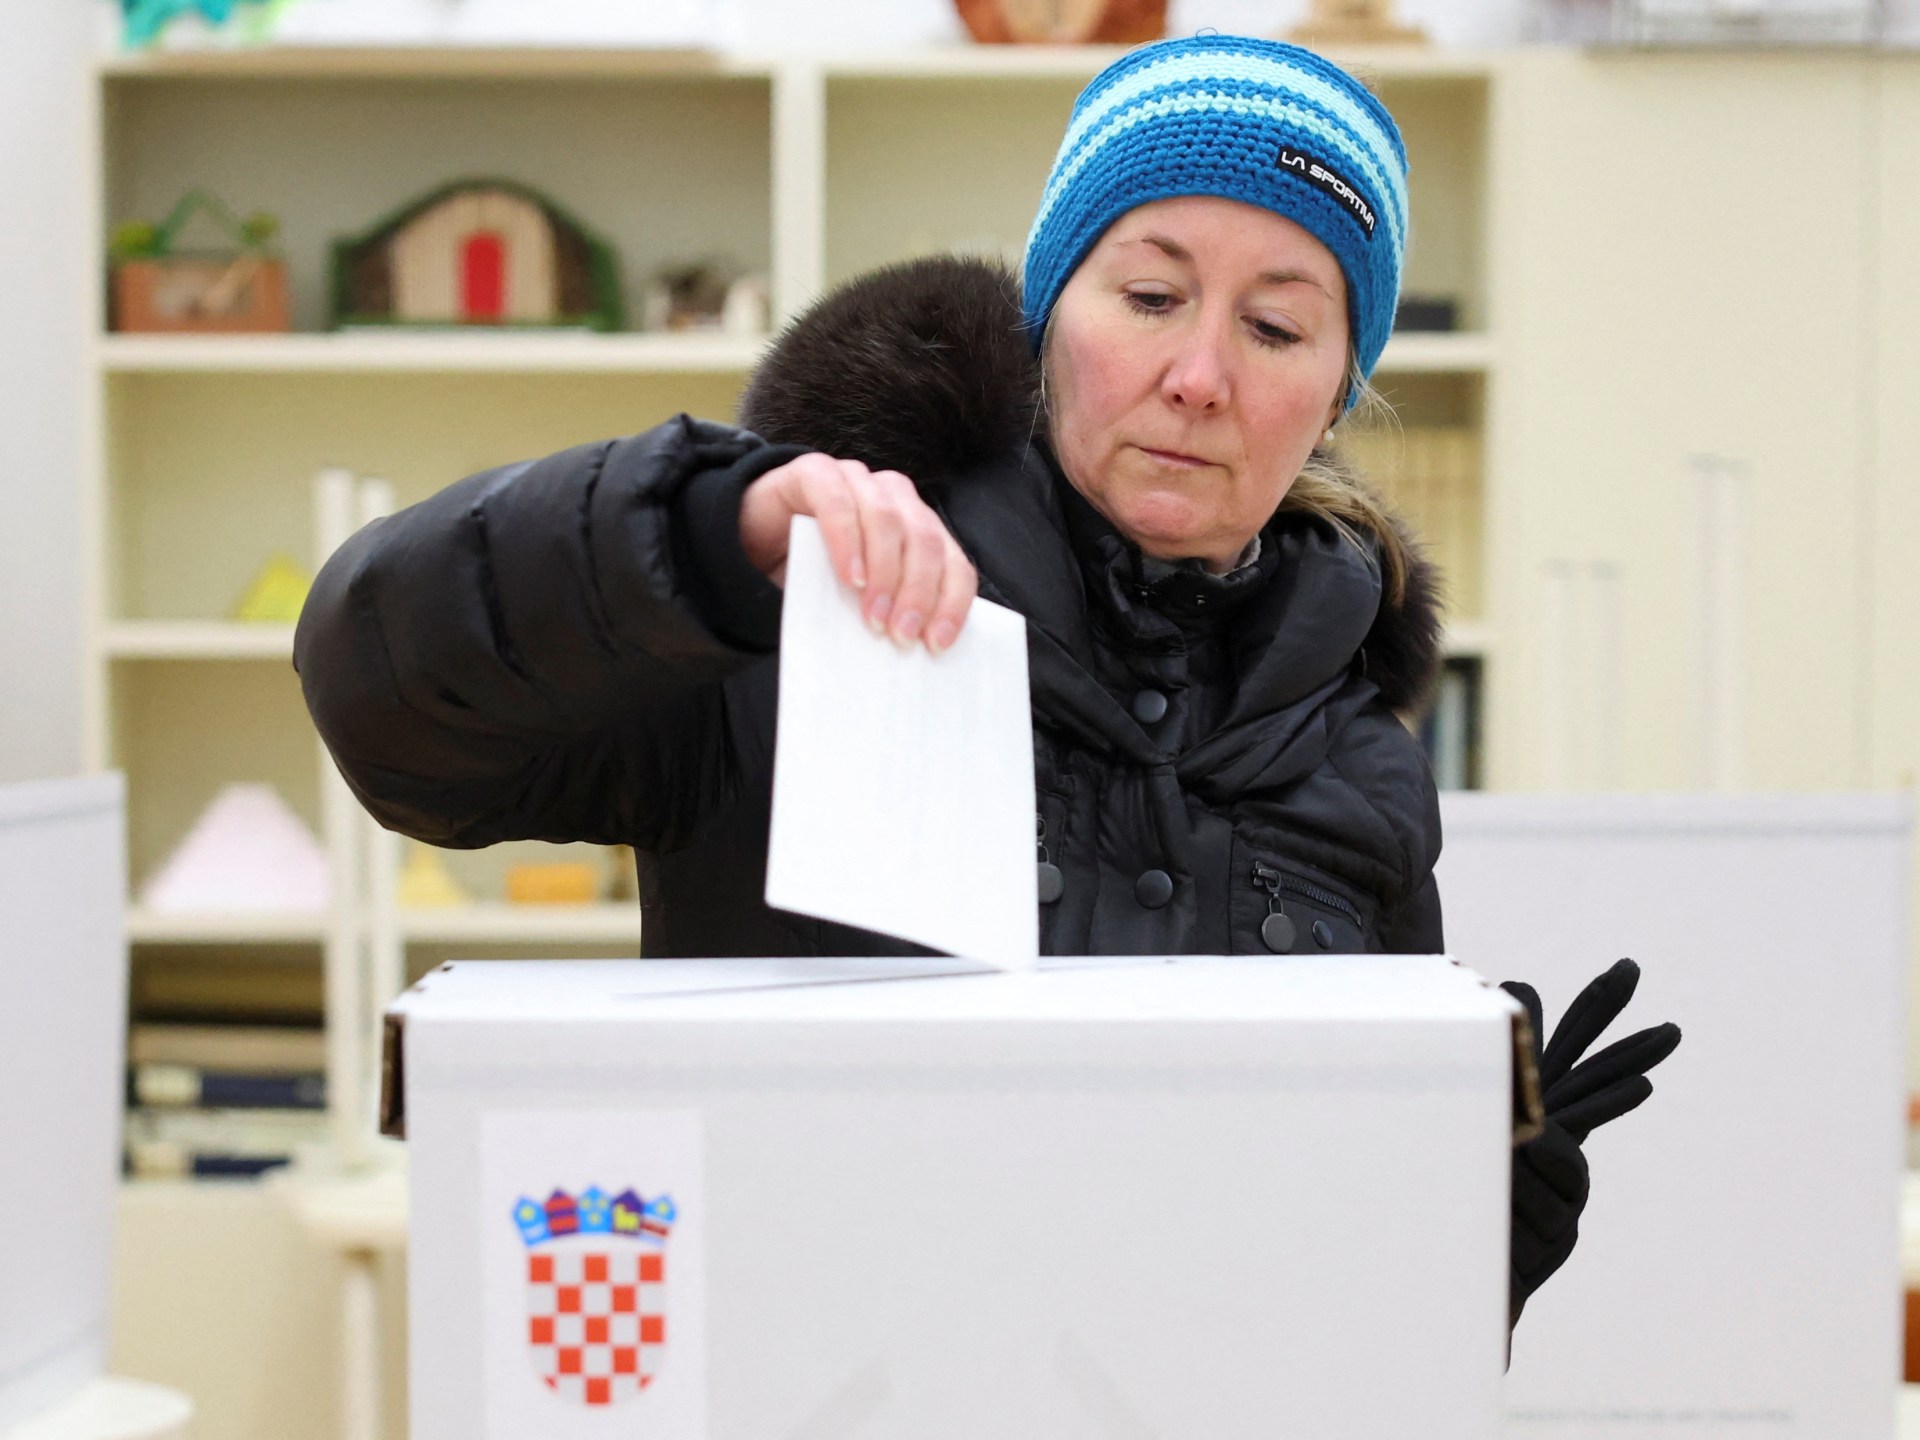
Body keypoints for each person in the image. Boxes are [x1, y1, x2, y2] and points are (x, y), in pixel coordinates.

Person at [295, 35, 1676, 1331]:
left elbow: (1317, 1321)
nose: (1199, 376)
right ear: (1046, 318)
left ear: (1337, 391)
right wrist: (699, 539)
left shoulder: (1359, 763)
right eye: (1148, 297)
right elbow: (387, 709)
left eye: (1277, 328)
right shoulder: (808, 613)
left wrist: (1473, 1229)